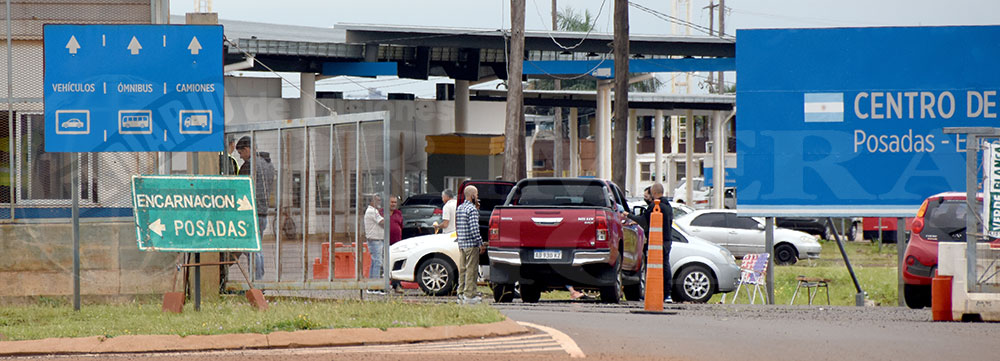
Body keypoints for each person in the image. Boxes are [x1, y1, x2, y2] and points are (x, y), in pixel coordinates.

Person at [628, 183, 674, 303]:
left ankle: (656, 293)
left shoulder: (655, 206)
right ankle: (667, 294)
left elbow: (644, 220)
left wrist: (628, 215)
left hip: (657, 242)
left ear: (653, 193)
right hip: (667, 240)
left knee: (656, 268)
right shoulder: (668, 206)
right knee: (665, 266)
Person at [236, 136, 274, 280]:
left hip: (250, 213)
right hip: (263, 212)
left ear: (246, 149)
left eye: (240, 153)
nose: (241, 157)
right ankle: (257, 280)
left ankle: (256, 282)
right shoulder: (268, 165)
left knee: (252, 249)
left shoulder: (249, 166)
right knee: (256, 247)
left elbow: (239, 189)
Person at [455, 185, 485, 304]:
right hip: (471, 244)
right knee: (471, 270)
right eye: (476, 195)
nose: (477, 197)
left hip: (462, 243)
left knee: (463, 270)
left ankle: (461, 294)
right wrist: (480, 243)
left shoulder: (460, 208)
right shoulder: (471, 210)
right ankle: (470, 295)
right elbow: (474, 229)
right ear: (472, 196)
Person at [364, 193, 386, 290]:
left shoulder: (372, 211)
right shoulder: (372, 211)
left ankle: (372, 284)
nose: (379, 202)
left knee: (374, 262)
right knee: (377, 262)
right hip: (375, 240)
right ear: (372, 201)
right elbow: (382, 222)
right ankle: (375, 285)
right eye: (377, 200)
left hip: (375, 240)